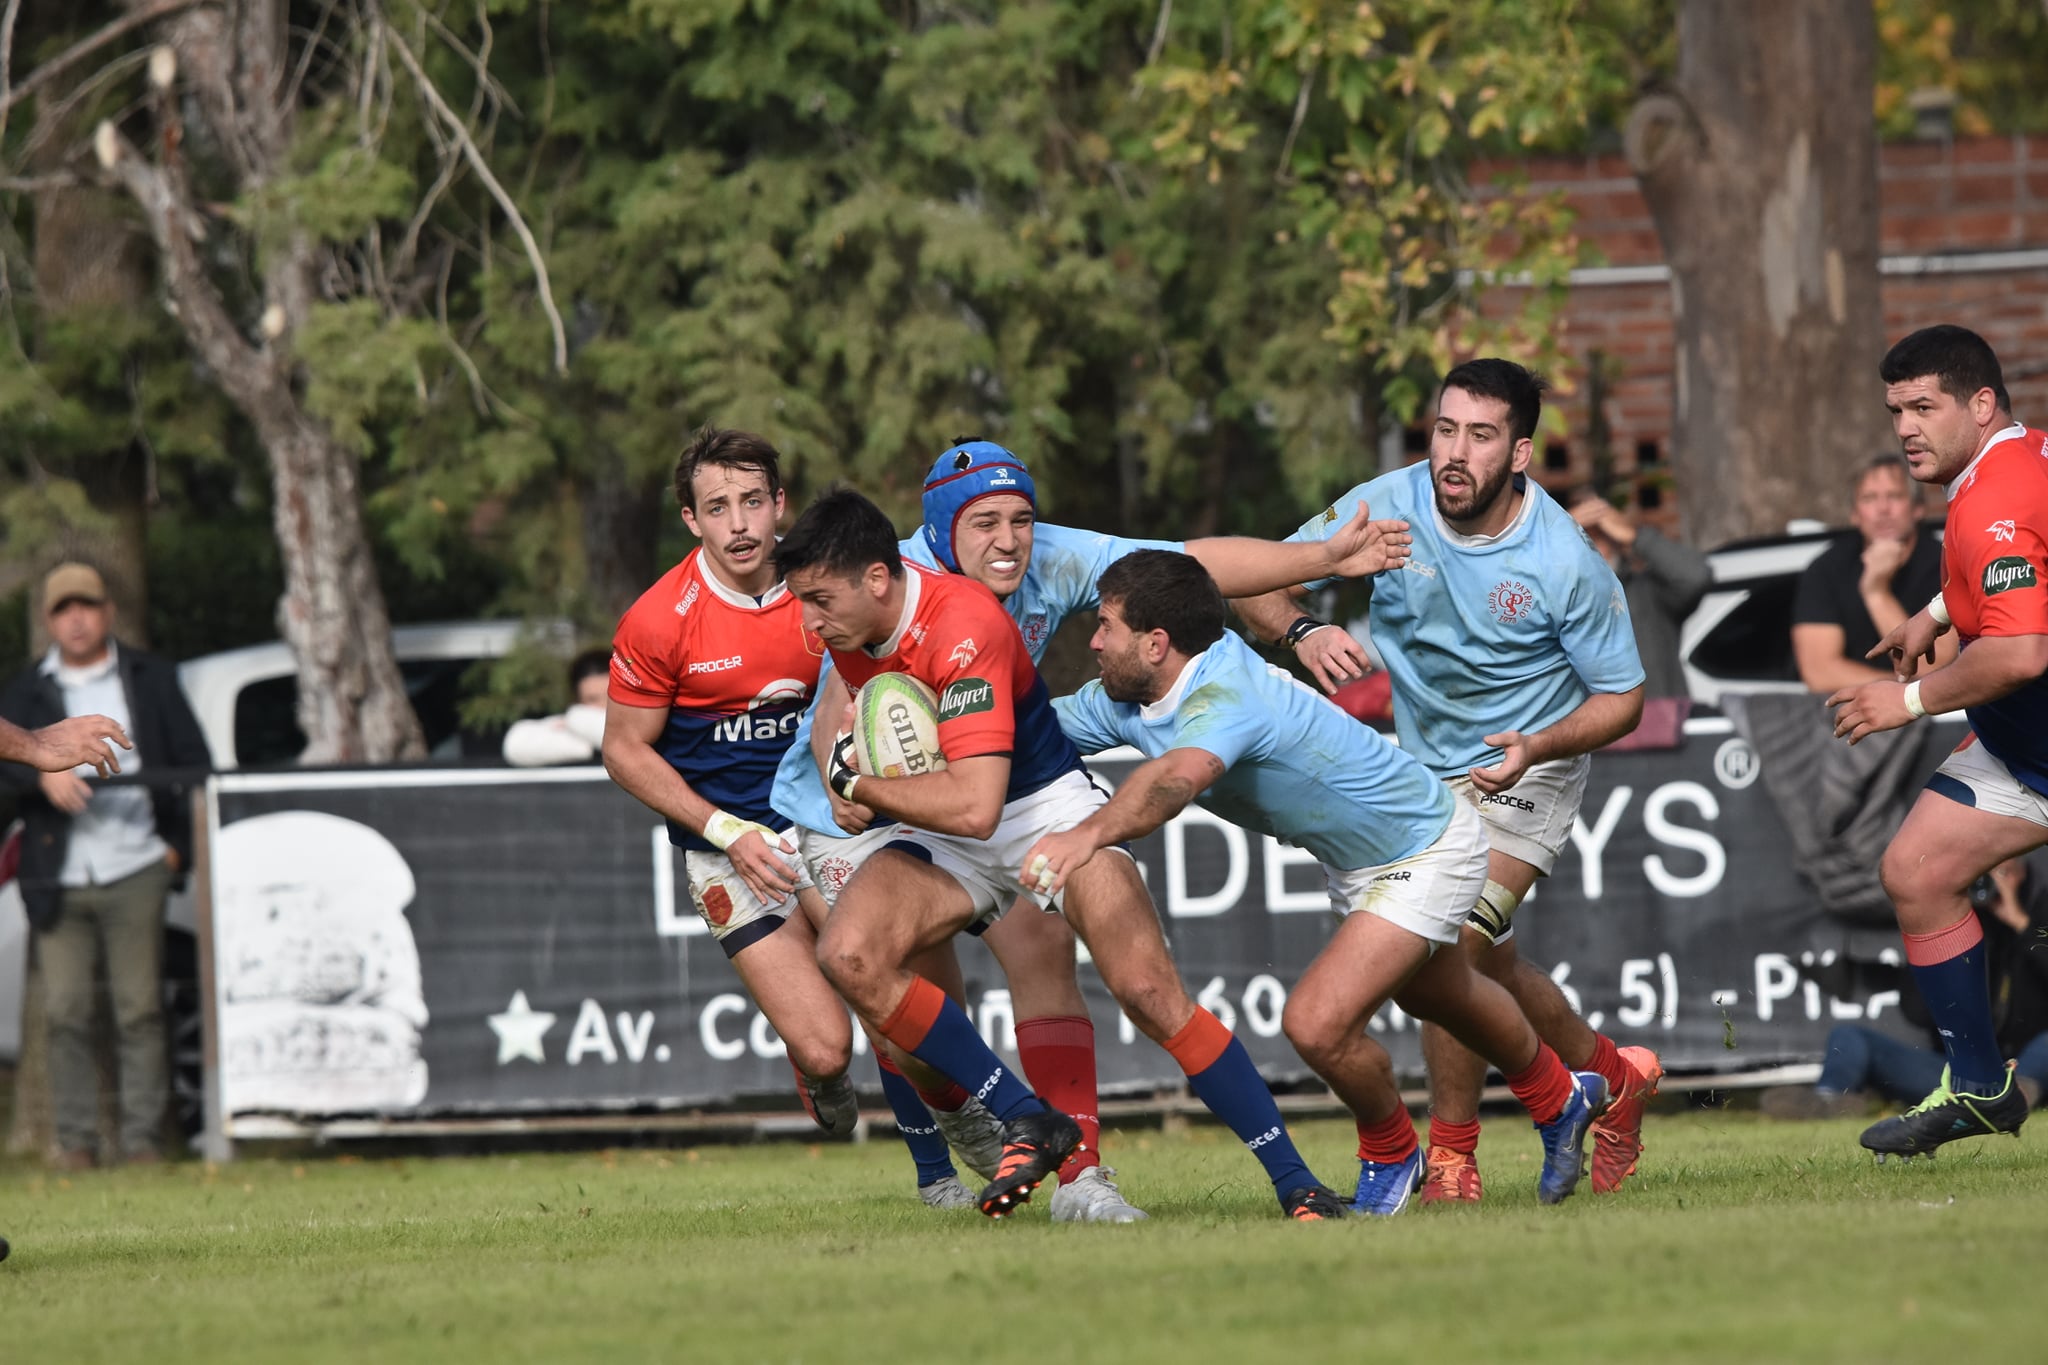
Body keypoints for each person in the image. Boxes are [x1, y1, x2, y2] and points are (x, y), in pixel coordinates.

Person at [770, 438, 1413, 1222]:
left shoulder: (964, 612)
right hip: (909, 808)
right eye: (985, 524)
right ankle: (1016, 1119)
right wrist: (845, 781)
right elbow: (842, 711)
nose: (1009, 540)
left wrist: (1320, 560)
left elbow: (1186, 566)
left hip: (1033, 801)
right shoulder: (858, 587)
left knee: (1144, 988)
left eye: (1021, 520)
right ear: (935, 535)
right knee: (855, 961)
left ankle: (1284, 1181)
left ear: (878, 582)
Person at [1029, 550, 1608, 1214]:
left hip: (1428, 844)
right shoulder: (1127, 698)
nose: (1094, 640)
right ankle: (1564, 1097)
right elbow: (1035, 732)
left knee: (1316, 1023)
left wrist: (1085, 833)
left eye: (1106, 625)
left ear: (1156, 644)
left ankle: (1391, 1149)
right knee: (1448, 994)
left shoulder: (1223, 693)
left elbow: (1172, 781)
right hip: (1366, 861)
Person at [1233, 358, 1660, 1205]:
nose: (1454, 453)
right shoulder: (1386, 504)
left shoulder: (1562, 559)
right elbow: (1263, 576)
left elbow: (1625, 699)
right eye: (1444, 428)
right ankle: (1612, 1078)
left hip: (1523, 768)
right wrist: (1307, 630)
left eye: (1481, 434)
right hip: (1421, 772)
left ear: (1522, 453)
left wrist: (1536, 744)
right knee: (1479, 965)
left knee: (1443, 940)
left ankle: (1452, 1157)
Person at [600, 428, 1004, 1211]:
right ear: (692, 520)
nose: (740, 523)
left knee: (880, 984)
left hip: (828, 821)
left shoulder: (826, 585)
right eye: (718, 508)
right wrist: (728, 833)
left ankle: (948, 1164)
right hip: (727, 846)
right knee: (828, 1045)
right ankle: (816, 1073)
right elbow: (624, 751)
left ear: (780, 503)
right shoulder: (660, 618)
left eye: (753, 501)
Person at [1827, 323, 2048, 1159]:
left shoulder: (1995, 491)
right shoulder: (2006, 461)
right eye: (1897, 410)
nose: (1906, 427)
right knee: (1916, 869)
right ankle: (1983, 1088)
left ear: (1981, 403)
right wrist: (1933, 613)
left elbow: (2023, 650)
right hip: (2023, 751)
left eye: (1925, 406)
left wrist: (1908, 700)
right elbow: (2008, 571)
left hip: (2033, 732)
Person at [0, 563, 209, 1168]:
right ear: (48, 621)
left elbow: (193, 764)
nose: (77, 618)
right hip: (60, 867)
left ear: (108, 611)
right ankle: (75, 1144)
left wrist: (176, 849)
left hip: (135, 860)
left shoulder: (151, 677)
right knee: (66, 1010)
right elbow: (9, 761)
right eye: (64, 608)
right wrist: (42, 772)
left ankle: (144, 1142)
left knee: (140, 1007)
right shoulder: (25, 690)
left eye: (87, 605)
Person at [1761, 854, 2048, 1119]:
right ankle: (1829, 1101)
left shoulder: (2040, 912)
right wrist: (1949, 930)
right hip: (1964, 1072)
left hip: (2028, 1063)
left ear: (2022, 871)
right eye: (1979, 873)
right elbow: (1917, 1012)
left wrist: (2020, 923)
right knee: (1849, 1037)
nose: (1988, 881)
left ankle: (2017, 1096)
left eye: (2001, 870)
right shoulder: (1953, 922)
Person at [1793, 455, 1955, 694]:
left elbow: (1934, 666)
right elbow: (1820, 673)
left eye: (1894, 496)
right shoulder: (1826, 569)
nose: (1883, 509)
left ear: (1917, 509)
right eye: (1869, 498)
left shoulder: (1946, 561)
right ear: (1854, 514)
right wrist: (1898, 688)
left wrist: (1876, 592)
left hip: (1934, 716)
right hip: (1841, 715)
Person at [1567, 487, 1713, 702]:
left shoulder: (1646, 592)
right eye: (1581, 537)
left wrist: (1634, 536)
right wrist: (1554, 532)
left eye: (1600, 536)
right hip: (1582, 728)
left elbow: (1696, 576)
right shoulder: (1553, 600)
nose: (1591, 547)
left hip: (1656, 726)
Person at [501, 649, 611, 766]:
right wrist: (591, 744)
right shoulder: (570, 722)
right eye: (592, 699)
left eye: (611, 697)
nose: (604, 706)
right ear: (577, 701)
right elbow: (516, 744)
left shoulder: (575, 722)